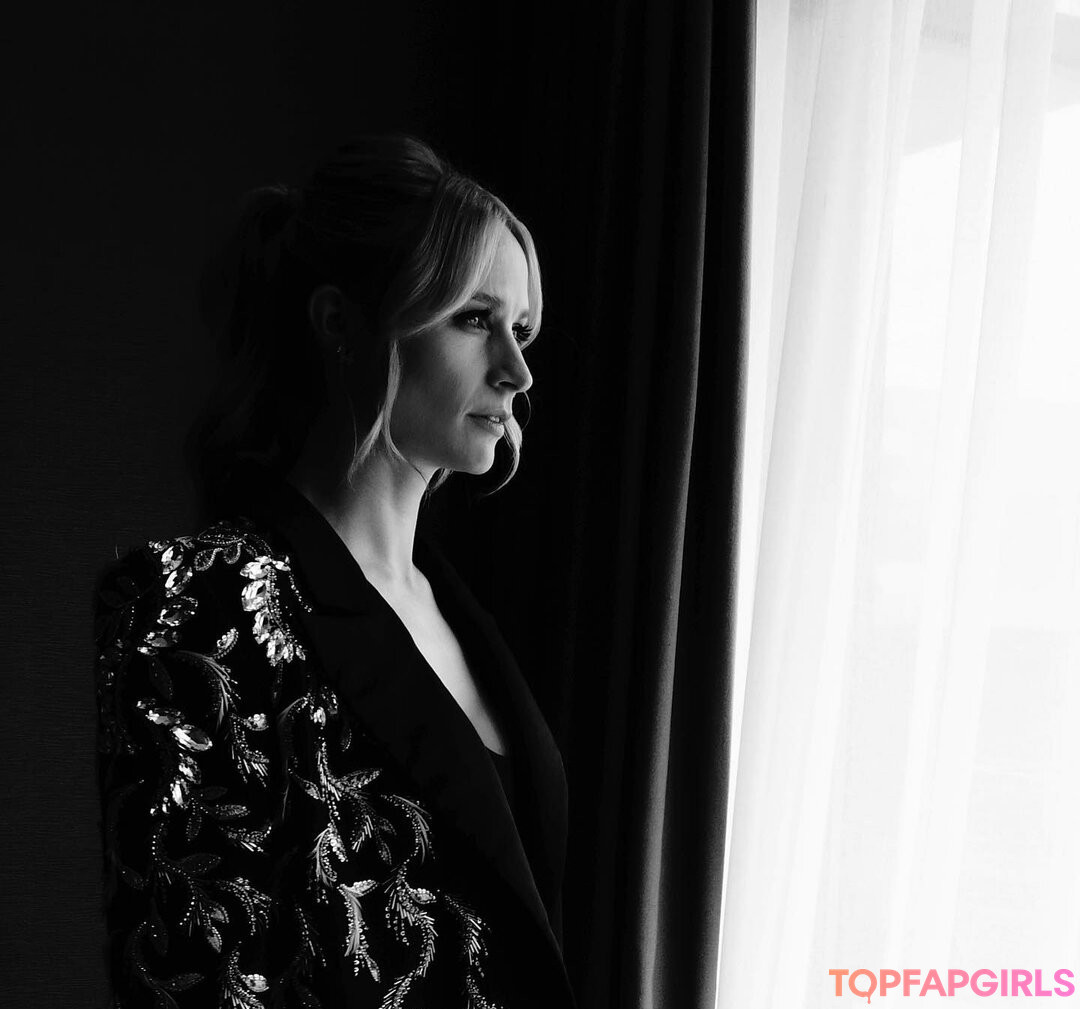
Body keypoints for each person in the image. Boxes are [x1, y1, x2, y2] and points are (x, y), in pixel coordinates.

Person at [92, 134, 576, 1009]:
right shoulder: (194, 601)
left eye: (523, 328)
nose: (517, 370)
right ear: (341, 323)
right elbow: (187, 975)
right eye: (474, 319)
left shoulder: (461, 614)